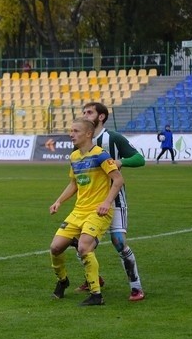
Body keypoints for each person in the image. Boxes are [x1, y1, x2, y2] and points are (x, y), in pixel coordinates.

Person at [49, 118, 124, 306]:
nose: (71, 134)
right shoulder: (74, 157)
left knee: (84, 248)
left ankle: (96, 295)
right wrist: (59, 201)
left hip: (98, 212)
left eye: (75, 131)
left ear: (88, 134)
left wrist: (107, 202)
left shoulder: (101, 155)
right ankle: (63, 281)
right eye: (71, 131)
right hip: (78, 211)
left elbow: (118, 180)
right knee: (55, 247)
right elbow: (73, 184)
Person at [81, 102, 146, 301]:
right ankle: (94, 279)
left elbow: (140, 158)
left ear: (101, 117)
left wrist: (121, 161)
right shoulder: (83, 141)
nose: (85, 115)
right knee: (80, 243)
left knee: (118, 242)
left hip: (115, 199)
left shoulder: (113, 138)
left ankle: (136, 287)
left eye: (89, 112)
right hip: (91, 202)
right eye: (83, 112)